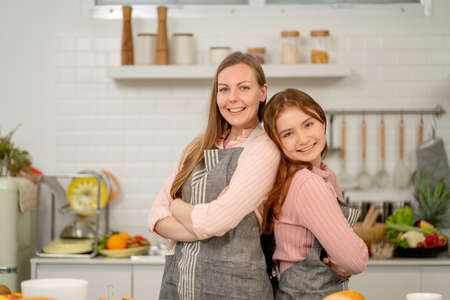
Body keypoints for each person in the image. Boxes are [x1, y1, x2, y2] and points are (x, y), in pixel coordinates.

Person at [148, 51, 280, 300]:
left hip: (237, 289)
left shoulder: (264, 149)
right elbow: (156, 216)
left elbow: (216, 222)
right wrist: (205, 225)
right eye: (224, 89)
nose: (232, 98)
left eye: (243, 88)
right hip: (181, 286)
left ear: (262, 92)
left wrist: (176, 206)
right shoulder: (198, 147)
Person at [261, 88, 369, 300]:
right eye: (288, 134)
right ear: (277, 143)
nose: (302, 139)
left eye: (308, 124)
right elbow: (355, 260)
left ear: (322, 121)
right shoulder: (307, 183)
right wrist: (342, 262)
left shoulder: (323, 175)